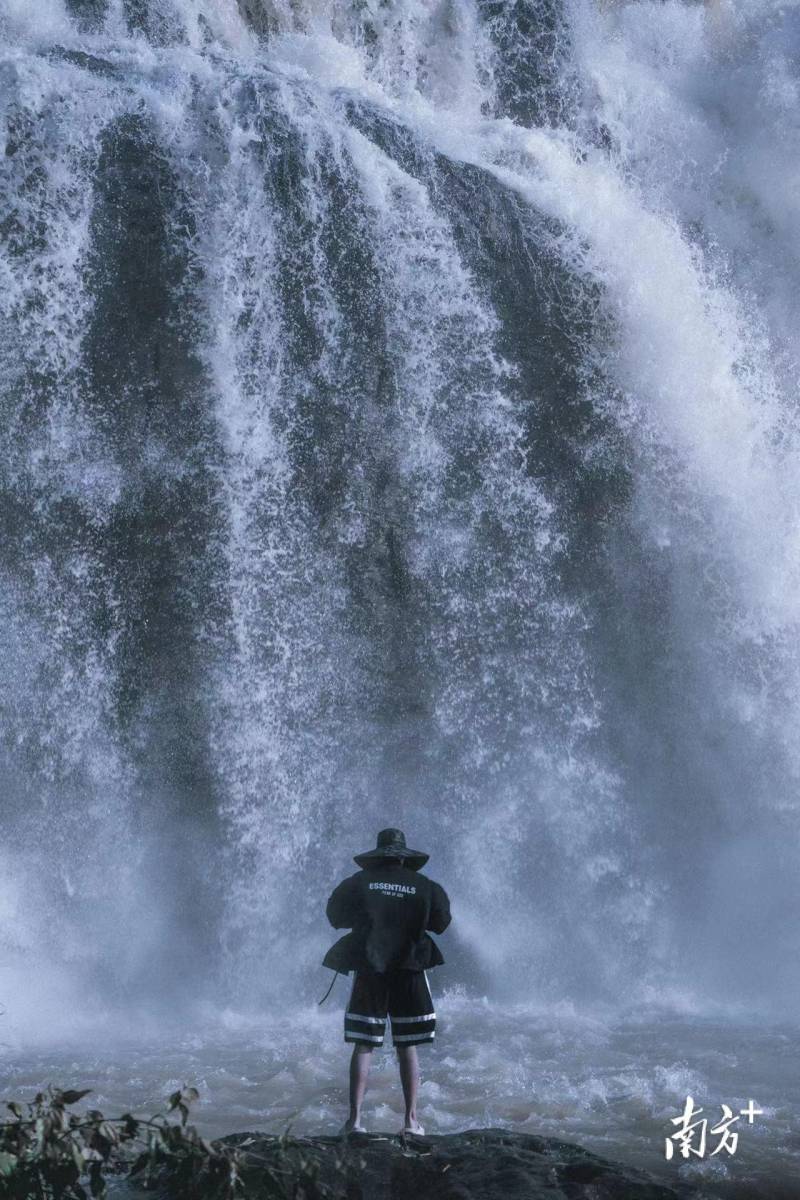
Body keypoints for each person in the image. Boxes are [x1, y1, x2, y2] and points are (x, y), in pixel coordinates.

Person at [323, 828, 451, 1138]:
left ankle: (354, 1122)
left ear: (377, 856)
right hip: (409, 967)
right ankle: (411, 1122)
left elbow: (334, 915)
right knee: (408, 1045)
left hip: (371, 967)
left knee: (363, 1044)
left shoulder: (357, 882)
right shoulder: (427, 886)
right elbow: (441, 923)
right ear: (405, 857)